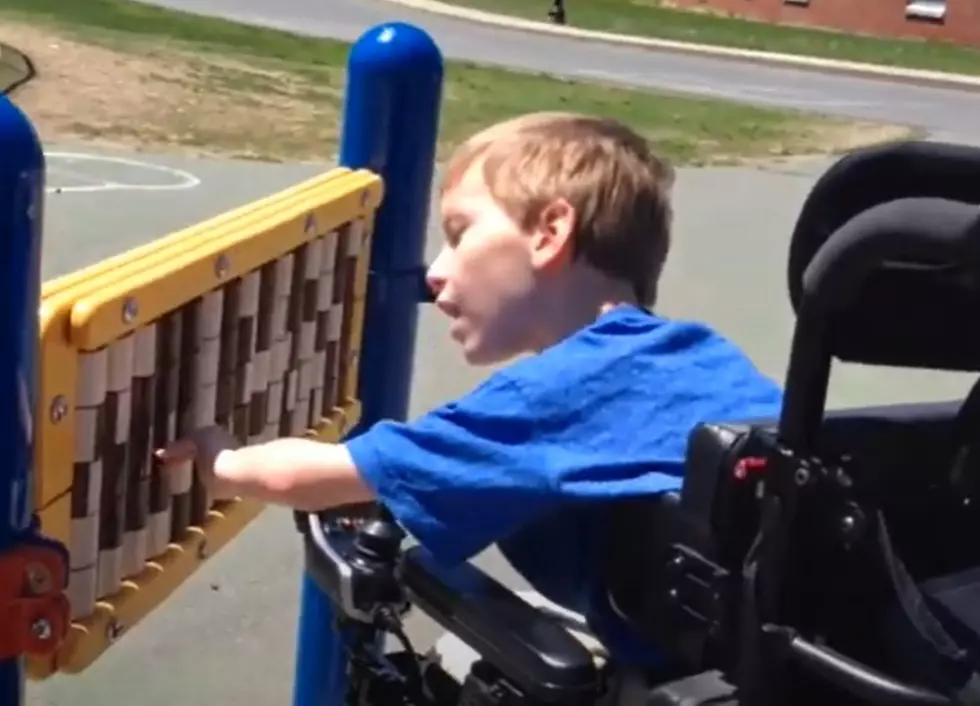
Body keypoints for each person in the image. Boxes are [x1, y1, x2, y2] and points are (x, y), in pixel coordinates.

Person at [157, 111, 783, 682]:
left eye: (458, 234)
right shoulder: (701, 355)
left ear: (549, 232)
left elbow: (319, 478)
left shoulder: (552, 395)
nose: (434, 270)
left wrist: (223, 461)